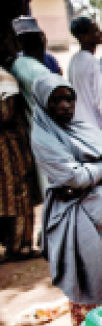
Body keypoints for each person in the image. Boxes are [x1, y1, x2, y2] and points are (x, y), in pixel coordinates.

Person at [30, 73, 102, 326]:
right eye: (56, 100)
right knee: (85, 285)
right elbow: (72, 177)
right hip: (76, 222)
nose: (64, 106)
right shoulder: (43, 136)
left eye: (69, 98)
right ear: (44, 103)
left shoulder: (85, 128)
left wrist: (101, 172)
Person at [0, 67, 42, 261]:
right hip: (9, 148)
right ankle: (19, 245)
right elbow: (6, 115)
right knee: (17, 193)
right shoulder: (5, 79)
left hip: (10, 146)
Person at [67, 17, 102, 143]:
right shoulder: (92, 63)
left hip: (82, 128)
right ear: (84, 37)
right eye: (95, 31)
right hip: (97, 131)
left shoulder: (75, 60)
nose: (101, 33)